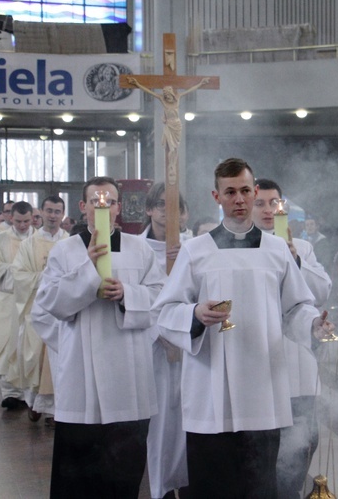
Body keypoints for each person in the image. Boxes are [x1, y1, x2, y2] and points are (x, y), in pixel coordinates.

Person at [153, 159, 334, 498]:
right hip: (210, 390)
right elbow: (164, 311)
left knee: (259, 486)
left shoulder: (277, 250)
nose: (239, 199)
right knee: (211, 486)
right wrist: (194, 314)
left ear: (254, 193)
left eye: (245, 191)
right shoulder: (196, 251)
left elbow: (296, 306)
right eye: (230, 192)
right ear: (216, 196)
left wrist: (313, 324)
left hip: (263, 390)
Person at [31, 176, 164, 497]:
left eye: (111, 201)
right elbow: (46, 307)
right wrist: (87, 273)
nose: (104, 206)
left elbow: (161, 300)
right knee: (77, 477)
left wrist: (127, 295)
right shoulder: (65, 252)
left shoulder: (140, 249)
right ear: (83, 207)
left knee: (124, 474)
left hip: (128, 375)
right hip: (83, 377)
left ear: (119, 207)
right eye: (95, 201)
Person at [252, 178, 332, 499]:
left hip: (298, 367)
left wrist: (294, 258)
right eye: (261, 203)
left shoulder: (304, 246)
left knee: (301, 448)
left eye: (274, 203)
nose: (269, 210)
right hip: (258, 367)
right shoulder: (241, 248)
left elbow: (322, 292)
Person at [140, 182, 188, 499]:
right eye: (160, 205)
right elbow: (138, 298)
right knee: (159, 425)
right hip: (152, 347)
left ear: (184, 214)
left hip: (189, 346)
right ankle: (160, 490)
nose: (167, 213)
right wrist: (161, 333)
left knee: (188, 420)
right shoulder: (134, 249)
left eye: (174, 207)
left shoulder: (196, 246)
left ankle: (188, 482)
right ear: (148, 209)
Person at [10, 196, 68, 422]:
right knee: (34, 357)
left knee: (60, 360)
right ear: (41, 213)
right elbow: (19, 276)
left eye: (57, 211)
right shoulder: (28, 245)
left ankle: (56, 410)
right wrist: (45, 276)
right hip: (37, 308)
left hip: (63, 311)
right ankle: (35, 402)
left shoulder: (71, 242)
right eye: (49, 211)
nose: (53, 215)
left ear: (63, 214)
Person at [0, 201, 35, 410]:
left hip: (30, 300)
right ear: (11, 218)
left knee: (27, 346)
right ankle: (10, 393)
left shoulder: (37, 239)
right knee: (6, 345)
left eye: (27, 221)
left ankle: (28, 392)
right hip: (7, 298)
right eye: (19, 221)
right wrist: (14, 271)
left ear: (32, 218)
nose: (23, 225)